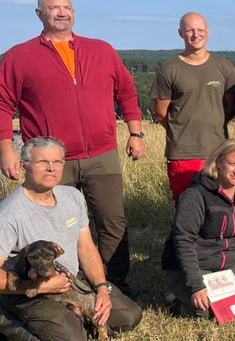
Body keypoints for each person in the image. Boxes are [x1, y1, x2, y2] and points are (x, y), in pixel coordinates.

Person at [0, 0, 144, 295]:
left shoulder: (101, 50)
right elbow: (2, 103)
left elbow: (127, 92)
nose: (61, 13)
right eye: (53, 8)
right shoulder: (18, 56)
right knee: (55, 227)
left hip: (102, 153)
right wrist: (6, 150)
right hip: (49, 160)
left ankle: (113, 286)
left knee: (112, 223)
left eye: (67, 7)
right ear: (39, 14)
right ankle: (57, 287)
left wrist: (135, 132)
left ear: (74, 12)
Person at [0, 137, 141, 340]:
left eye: (57, 162)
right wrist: (39, 286)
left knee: (128, 316)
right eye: (42, 162)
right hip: (28, 292)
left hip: (71, 282)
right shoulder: (9, 213)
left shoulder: (71, 196)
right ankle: (7, 321)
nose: (51, 168)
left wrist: (101, 287)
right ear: (24, 166)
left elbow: (86, 248)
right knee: (72, 337)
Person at [161, 139, 235, 317]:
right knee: (211, 313)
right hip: (195, 265)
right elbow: (183, 241)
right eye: (232, 164)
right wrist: (196, 286)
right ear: (219, 162)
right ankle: (176, 299)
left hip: (228, 265)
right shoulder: (195, 194)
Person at [151, 12, 235, 200]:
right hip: (183, 153)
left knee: (218, 207)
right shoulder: (169, 69)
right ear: (180, 33)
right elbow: (160, 112)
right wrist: (182, 128)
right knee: (186, 208)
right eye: (190, 30)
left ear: (208, 32)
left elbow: (231, 108)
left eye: (200, 30)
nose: (195, 34)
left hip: (218, 151)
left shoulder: (224, 67)